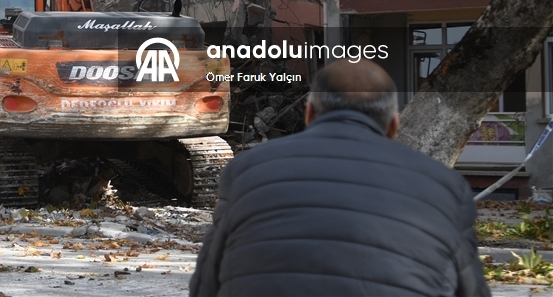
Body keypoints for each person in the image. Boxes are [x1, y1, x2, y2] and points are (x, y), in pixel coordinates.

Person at [189, 58, 490, 297]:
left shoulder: (246, 171)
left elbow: (206, 284)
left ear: (309, 114)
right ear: (393, 126)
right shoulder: (446, 187)